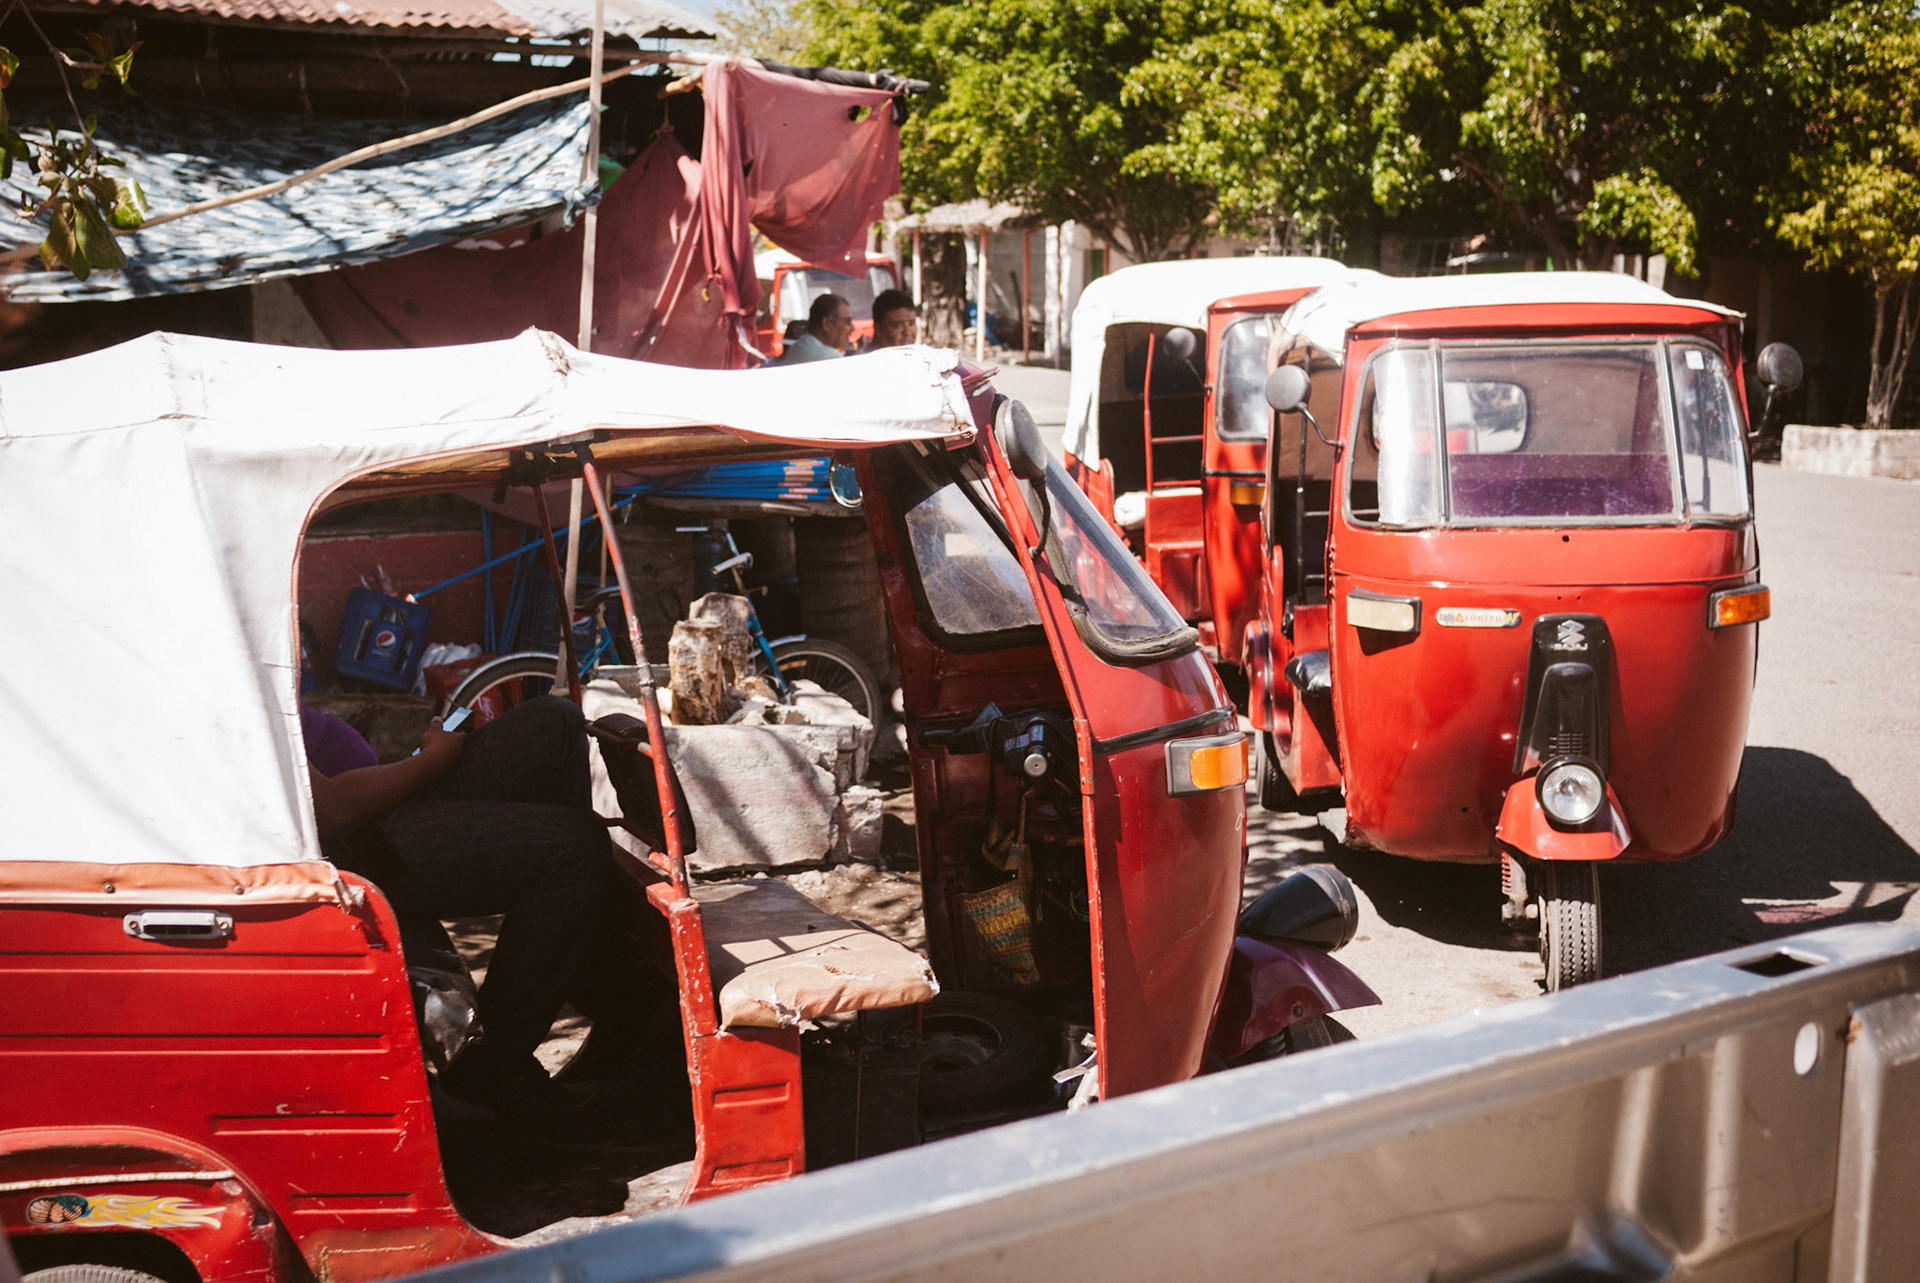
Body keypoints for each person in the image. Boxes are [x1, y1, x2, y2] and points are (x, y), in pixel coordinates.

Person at [304, 697, 667, 1116]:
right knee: (574, 846)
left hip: (379, 810)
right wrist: (433, 760)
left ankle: (589, 965)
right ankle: (495, 1063)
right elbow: (330, 810)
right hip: (358, 846)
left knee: (554, 720)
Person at [775, 292, 852, 363]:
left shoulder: (801, 347)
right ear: (827, 324)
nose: (852, 328)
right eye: (847, 322)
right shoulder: (828, 358)